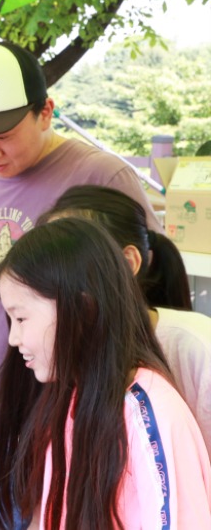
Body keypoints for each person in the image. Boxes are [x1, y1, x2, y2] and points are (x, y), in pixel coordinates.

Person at [0, 39, 163, 528]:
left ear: (45, 111)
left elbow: (139, 297)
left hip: (54, 429)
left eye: (3, 134)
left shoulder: (100, 176)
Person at [0, 217, 211, 529]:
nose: (14, 339)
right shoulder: (68, 393)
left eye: (21, 319)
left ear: (82, 311)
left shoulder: (149, 413)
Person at [38, 184, 211, 454]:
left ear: (128, 262)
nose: (49, 279)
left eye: (67, 260)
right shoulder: (54, 345)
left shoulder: (198, 346)